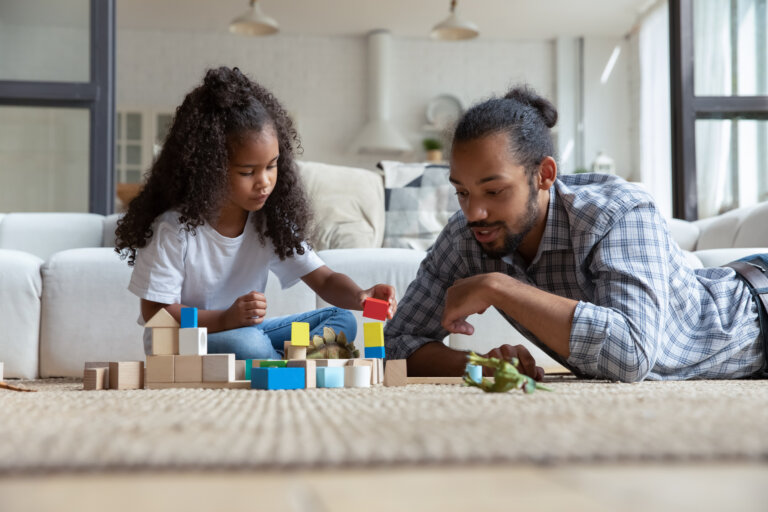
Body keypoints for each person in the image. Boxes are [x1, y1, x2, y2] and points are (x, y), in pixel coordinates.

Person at [384, 85, 766, 382]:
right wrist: (477, 365)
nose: (475, 213)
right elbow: (398, 343)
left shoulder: (619, 210)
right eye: (462, 192)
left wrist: (499, 287)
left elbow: (630, 355)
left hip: (754, 318)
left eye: (494, 191)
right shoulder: (466, 236)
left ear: (544, 175)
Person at [116, 66, 396, 359]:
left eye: (271, 166)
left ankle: (279, 363)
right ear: (210, 170)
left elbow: (324, 279)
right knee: (248, 344)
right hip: (185, 344)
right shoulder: (173, 230)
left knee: (340, 321)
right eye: (248, 171)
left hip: (247, 331)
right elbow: (154, 312)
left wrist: (360, 296)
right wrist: (225, 319)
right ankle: (285, 362)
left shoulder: (268, 223)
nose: (264, 181)